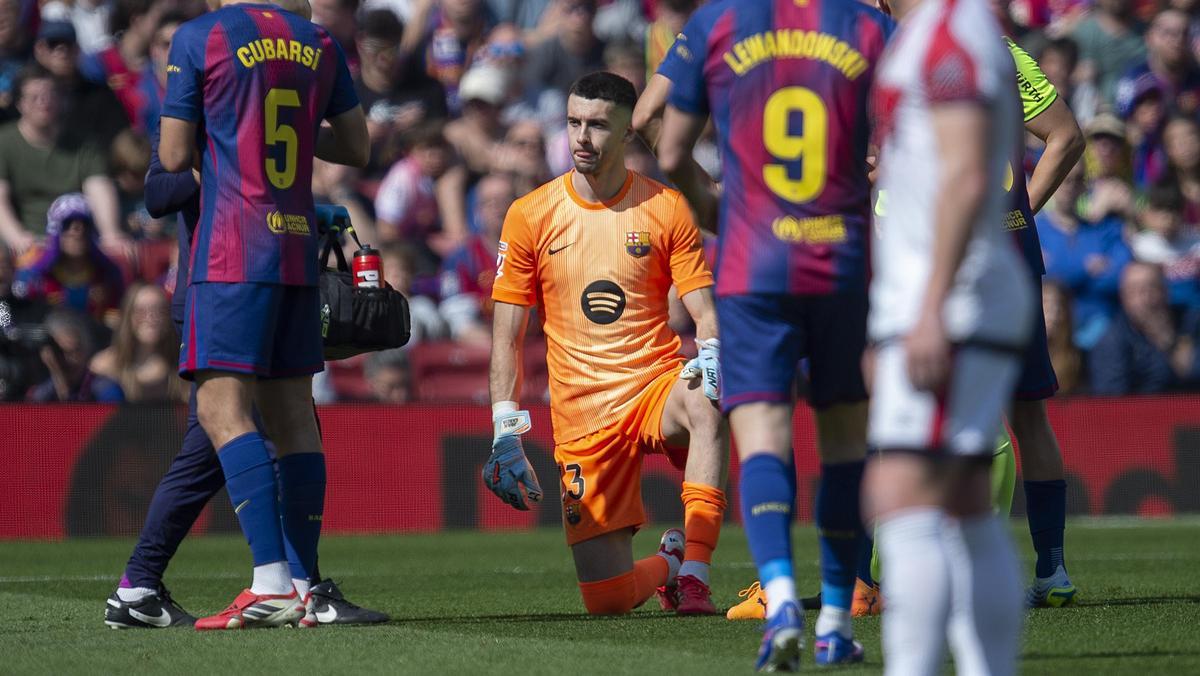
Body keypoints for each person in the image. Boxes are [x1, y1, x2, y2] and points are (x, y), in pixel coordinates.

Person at [657, 0, 893, 667]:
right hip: (840, 261)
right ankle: (838, 622)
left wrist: (718, 212)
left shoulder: (718, 23)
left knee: (761, 433)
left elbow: (671, 148)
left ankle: (783, 600)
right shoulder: (871, 27)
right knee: (846, 441)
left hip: (752, 264)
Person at [104, 120, 387, 629]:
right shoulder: (196, 120)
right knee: (266, 430)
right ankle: (304, 587)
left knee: (224, 442)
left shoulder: (257, 109)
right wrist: (219, 165)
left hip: (257, 288)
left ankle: (140, 587)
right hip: (217, 291)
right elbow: (158, 193)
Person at [483, 72, 729, 618]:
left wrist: (711, 352)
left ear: (626, 133)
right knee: (608, 601)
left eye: (597, 125)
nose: (581, 138)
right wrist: (506, 430)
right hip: (582, 416)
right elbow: (507, 333)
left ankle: (695, 575)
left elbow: (702, 307)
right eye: (574, 122)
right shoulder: (530, 214)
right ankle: (670, 562)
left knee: (707, 396)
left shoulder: (667, 207)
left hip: (653, 386)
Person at [157, 0, 369, 629]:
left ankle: (270, 583)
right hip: (297, 247)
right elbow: (356, 147)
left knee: (220, 408)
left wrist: (223, 125)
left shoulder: (201, 36)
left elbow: (172, 160)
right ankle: (305, 587)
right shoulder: (320, 43)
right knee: (294, 416)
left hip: (230, 249)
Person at [866, 0, 1030, 673]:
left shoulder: (949, 38)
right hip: (952, 297)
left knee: (903, 499)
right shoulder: (942, 33)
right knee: (963, 508)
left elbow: (967, 173)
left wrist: (928, 304)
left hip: (952, 302)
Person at [14, 193, 125, 326]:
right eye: (67, 224)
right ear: (54, 231)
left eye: (84, 223)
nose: (77, 230)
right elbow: (13, 318)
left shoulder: (109, 275)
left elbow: (119, 317)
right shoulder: (32, 278)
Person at [1090, 261, 1200, 393]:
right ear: (1124, 298)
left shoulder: (1191, 321)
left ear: (1166, 291)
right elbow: (1112, 403)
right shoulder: (1111, 341)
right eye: (1136, 291)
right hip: (1141, 412)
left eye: (1152, 288)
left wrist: (1169, 343)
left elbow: (1193, 372)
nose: (1146, 299)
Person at [89, 282, 180, 402]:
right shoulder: (103, 365)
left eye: (160, 310)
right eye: (141, 311)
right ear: (128, 316)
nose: (151, 317)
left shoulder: (182, 367)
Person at [27, 307, 124, 402]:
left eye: (74, 351)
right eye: (60, 352)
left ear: (86, 349)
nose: (68, 360)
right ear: (47, 356)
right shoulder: (40, 396)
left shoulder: (105, 390)